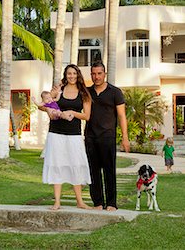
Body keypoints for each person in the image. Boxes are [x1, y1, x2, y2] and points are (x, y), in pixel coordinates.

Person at [40, 64, 93, 210]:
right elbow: (44, 105)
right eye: (69, 73)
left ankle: (80, 202)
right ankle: (57, 201)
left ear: (78, 75)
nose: (71, 76)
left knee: (76, 164)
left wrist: (72, 112)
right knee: (57, 165)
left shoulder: (84, 93)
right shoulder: (59, 90)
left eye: (74, 73)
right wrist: (51, 110)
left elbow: (87, 116)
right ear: (65, 74)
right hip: (56, 133)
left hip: (74, 134)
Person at [85, 61, 130, 211]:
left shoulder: (115, 92)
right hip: (90, 137)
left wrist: (125, 137)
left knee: (109, 171)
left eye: (99, 73)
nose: (96, 77)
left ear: (105, 74)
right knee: (93, 172)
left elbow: (122, 116)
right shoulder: (87, 92)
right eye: (93, 74)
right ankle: (98, 202)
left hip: (107, 137)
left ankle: (111, 203)